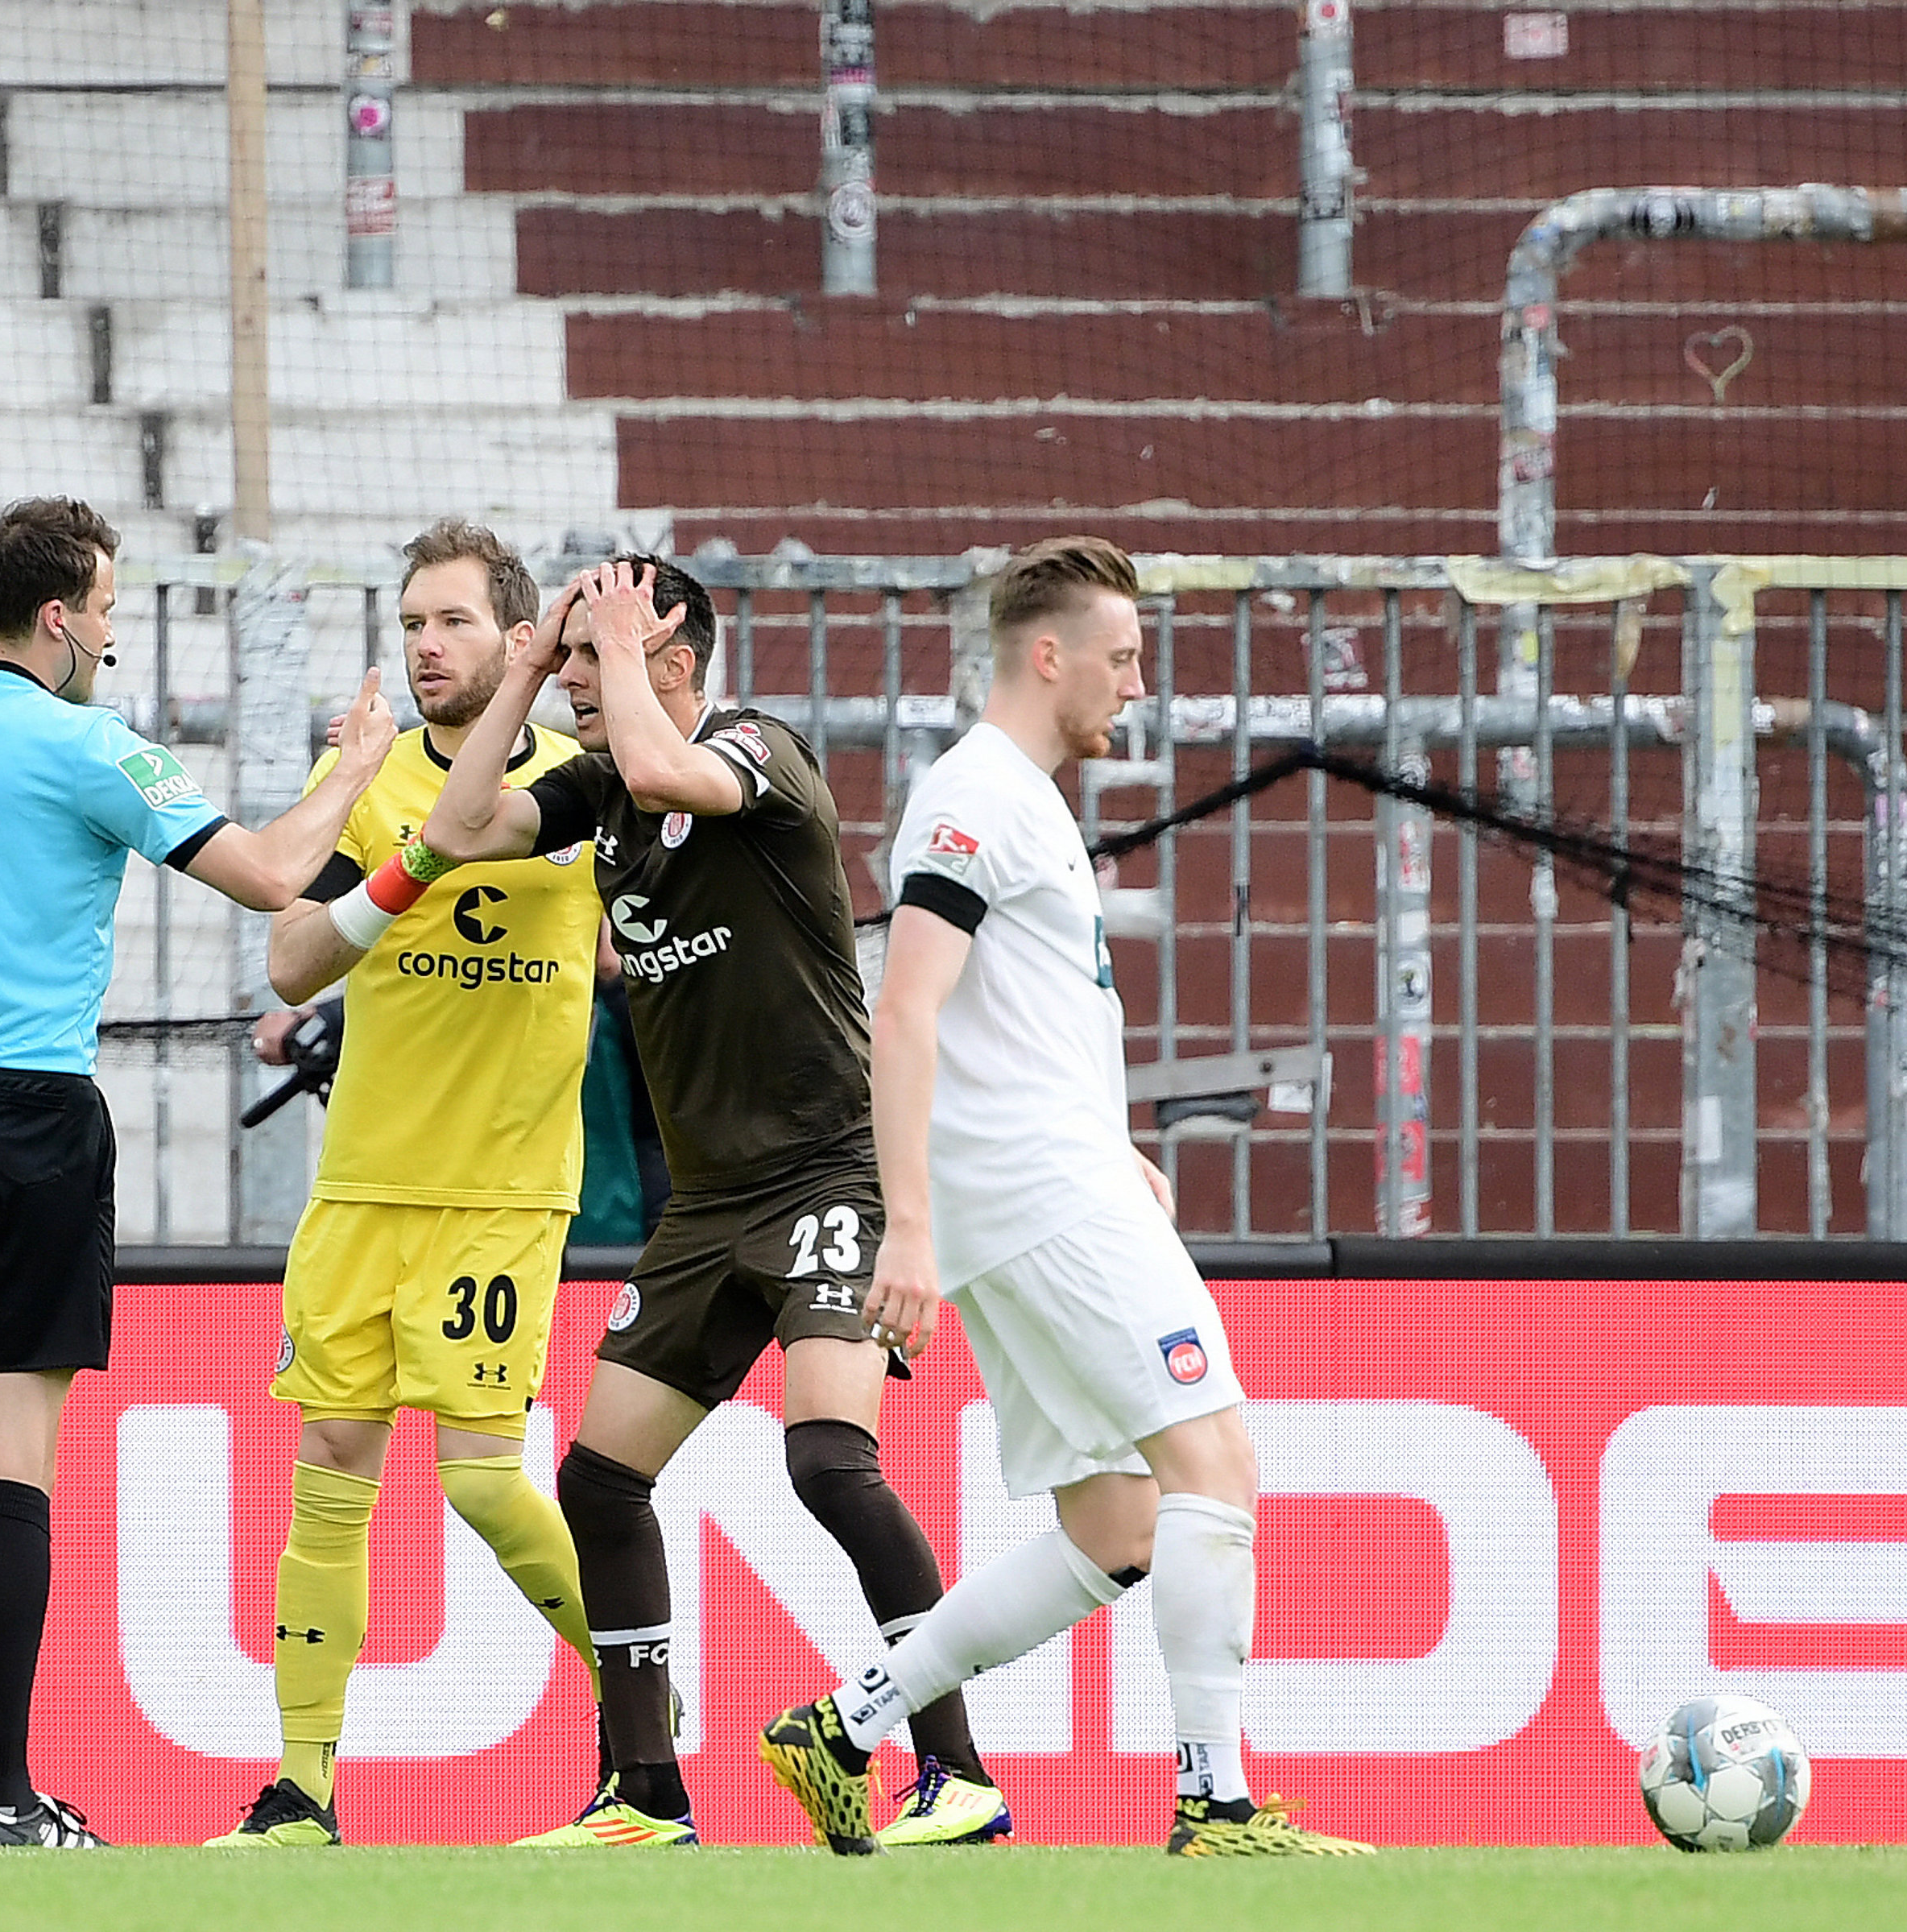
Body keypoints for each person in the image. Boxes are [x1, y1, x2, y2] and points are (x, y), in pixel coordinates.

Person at [0, 496, 395, 1849]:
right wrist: (353, 770)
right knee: (10, 1468)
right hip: (29, 1124)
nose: (111, 635)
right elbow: (279, 877)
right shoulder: (89, 745)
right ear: (58, 618)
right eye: (107, 610)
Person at [753, 536, 1371, 1857]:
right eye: (1124, 655)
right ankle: (1215, 1804)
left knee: (1120, 1520)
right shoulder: (976, 793)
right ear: (1050, 655)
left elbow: (1011, 1013)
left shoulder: (1019, 797)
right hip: (1034, 1195)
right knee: (1213, 1456)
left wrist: (1113, 1137)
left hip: (1050, 1179)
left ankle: (847, 1728)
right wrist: (906, 1229)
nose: (1136, 685)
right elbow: (903, 1011)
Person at [423, 557, 1006, 1848]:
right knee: (598, 1482)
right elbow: (462, 829)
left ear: (670, 651)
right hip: (706, 1206)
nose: (574, 680)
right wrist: (523, 668)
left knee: (826, 1463)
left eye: (593, 656)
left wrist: (618, 659)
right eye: (570, 662)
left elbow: (679, 773)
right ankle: (646, 1798)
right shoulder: (597, 790)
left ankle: (955, 1773)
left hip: (825, 1171)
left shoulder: (756, 748)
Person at [205, 518, 606, 1847]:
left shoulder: (588, 785)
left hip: (500, 1191)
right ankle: (302, 1791)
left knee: (485, 1482)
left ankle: (645, 1731)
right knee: (329, 1466)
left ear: (518, 637)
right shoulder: (366, 781)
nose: (428, 648)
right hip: (367, 1185)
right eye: (411, 627)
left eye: (452, 623)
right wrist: (402, 859)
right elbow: (292, 962)